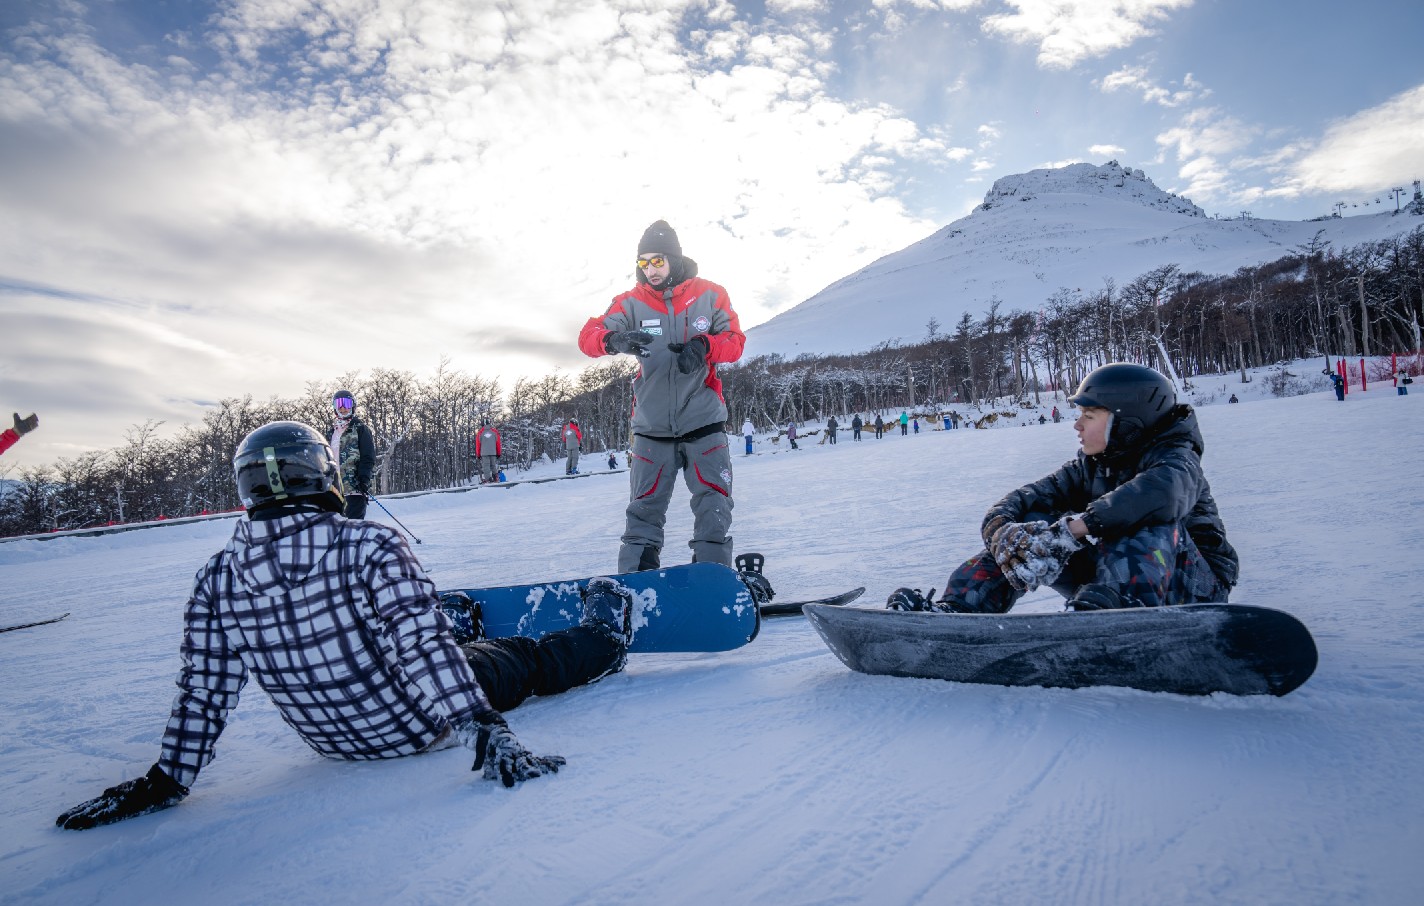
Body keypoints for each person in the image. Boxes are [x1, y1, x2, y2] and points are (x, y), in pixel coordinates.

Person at [55, 421, 633, 831]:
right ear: (324, 475)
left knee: (398, 633)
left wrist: (165, 780)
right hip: (417, 724)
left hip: (334, 743)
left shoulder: (217, 578)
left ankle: (455, 624)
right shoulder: (368, 542)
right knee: (520, 660)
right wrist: (487, 731)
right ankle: (604, 637)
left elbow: (203, 693)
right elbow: (421, 646)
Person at [887, 363, 1237, 615]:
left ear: (1126, 419)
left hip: (1192, 592)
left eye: (1089, 415)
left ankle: (1121, 614)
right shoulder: (1091, 466)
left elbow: (1161, 494)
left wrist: (1074, 530)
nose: (1077, 424)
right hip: (1105, 588)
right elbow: (1022, 501)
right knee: (1034, 524)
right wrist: (1004, 532)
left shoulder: (1177, 460)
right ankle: (961, 609)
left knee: (1145, 518)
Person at [577, 220, 749, 574]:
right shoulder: (630, 303)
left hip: (703, 422)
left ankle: (711, 577)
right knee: (644, 510)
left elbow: (735, 341)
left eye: (657, 261)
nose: (650, 269)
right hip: (652, 428)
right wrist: (613, 341)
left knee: (714, 504)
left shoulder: (710, 295)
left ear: (673, 258)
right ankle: (636, 584)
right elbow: (588, 335)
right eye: (643, 262)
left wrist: (705, 346)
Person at [330, 390, 376, 519]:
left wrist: (364, 480)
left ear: (353, 406)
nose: (343, 408)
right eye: (339, 404)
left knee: (352, 527)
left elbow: (368, 457)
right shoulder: (332, 432)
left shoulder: (360, 428)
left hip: (354, 487)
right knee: (336, 528)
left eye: (346, 403)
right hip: (334, 490)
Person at [475, 417, 501, 484]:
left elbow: (478, 444)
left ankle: (488, 479)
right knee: (493, 465)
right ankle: (496, 478)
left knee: (486, 466)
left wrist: (478, 454)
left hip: (484, 452)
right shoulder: (495, 432)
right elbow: (498, 443)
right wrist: (498, 453)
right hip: (493, 452)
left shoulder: (480, 433)